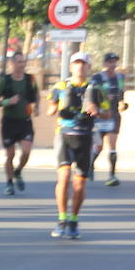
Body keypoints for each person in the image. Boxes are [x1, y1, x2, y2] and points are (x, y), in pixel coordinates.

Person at [48, 52, 103, 238]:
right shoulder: (61, 86)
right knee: (63, 177)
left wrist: (97, 111)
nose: (80, 66)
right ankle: (61, 218)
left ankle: (73, 220)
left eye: (83, 63)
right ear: (71, 66)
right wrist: (58, 106)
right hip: (64, 135)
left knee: (79, 184)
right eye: (76, 63)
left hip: (85, 137)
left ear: (88, 67)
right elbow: (50, 110)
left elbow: (107, 113)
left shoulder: (95, 88)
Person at [0, 51, 38, 195]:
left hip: (25, 121)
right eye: (19, 62)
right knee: (10, 154)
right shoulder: (6, 81)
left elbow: (36, 95)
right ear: (12, 63)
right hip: (9, 122)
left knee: (26, 150)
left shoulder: (30, 79)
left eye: (23, 62)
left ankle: (18, 171)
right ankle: (9, 182)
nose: (22, 64)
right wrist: (7, 101)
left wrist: (37, 106)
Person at [91, 51, 128, 186]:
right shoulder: (97, 78)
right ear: (105, 63)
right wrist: (103, 99)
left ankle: (112, 175)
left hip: (114, 115)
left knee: (112, 145)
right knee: (99, 146)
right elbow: (90, 95)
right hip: (100, 116)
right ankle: (90, 165)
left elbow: (121, 92)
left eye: (115, 62)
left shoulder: (120, 77)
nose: (113, 64)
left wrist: (122, 102)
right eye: (110, 62)